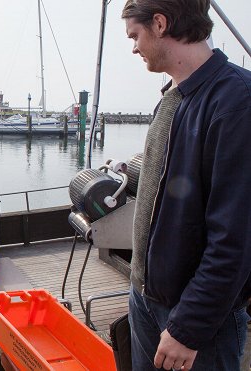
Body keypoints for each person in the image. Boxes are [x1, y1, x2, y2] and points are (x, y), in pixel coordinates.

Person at [122, 1, 251, 370]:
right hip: (146, 299)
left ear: (159, 24)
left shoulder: (237, 102)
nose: (133, 47)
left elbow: (237, 236)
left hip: (193, 319)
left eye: (135, 35)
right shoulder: (173, 99)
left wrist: (189, 327)